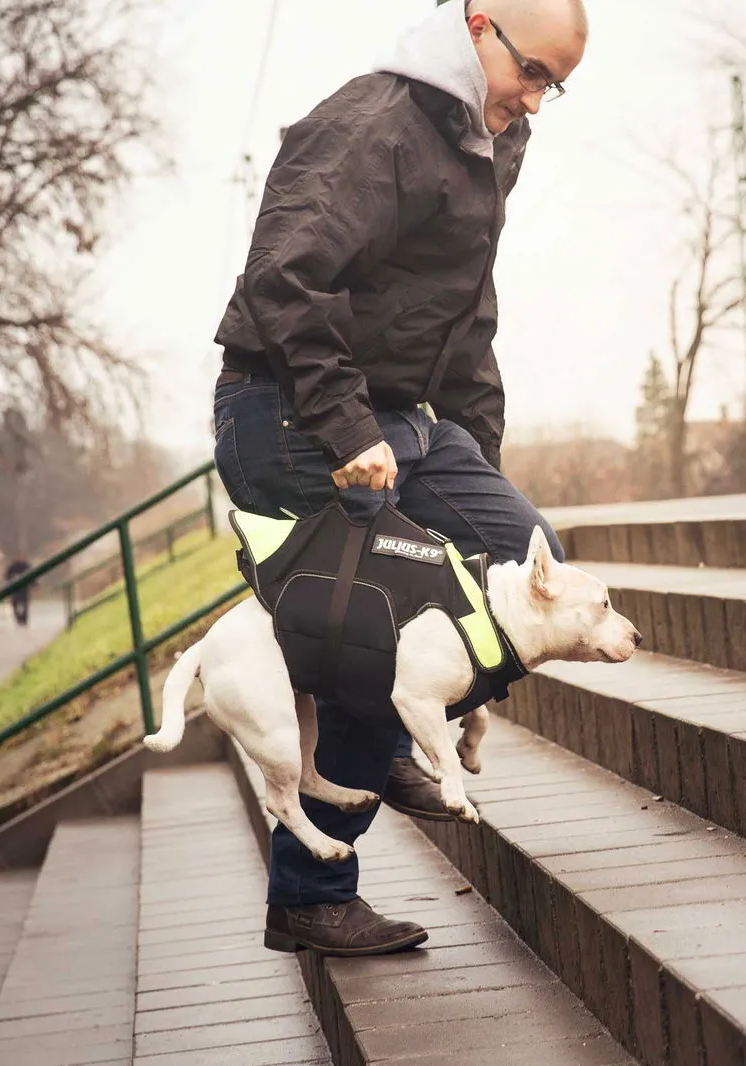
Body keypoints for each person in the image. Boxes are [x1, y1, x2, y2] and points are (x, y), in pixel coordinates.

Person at [211, 0, 588, 956]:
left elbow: (465, 314)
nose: (538, 101)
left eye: (556, 85)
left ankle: (387, 743)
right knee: (365, 633)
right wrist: (345, 427)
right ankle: (311, 894)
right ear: (476, 25)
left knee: (522, 557)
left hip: (410, 420)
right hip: (294, 413)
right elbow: (282, 279)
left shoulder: (489, 134)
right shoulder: (370, 124)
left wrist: (475, 460)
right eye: (533, 72)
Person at [5, 558, 33, 626]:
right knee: (15, 604)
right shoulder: (12, 566)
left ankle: (24, 619)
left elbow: (31, 576)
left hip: (24, 589)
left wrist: (33, 585)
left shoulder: (26, 566)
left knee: (25, 605)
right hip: (15, 589)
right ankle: (18, 618)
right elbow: (7, 577)